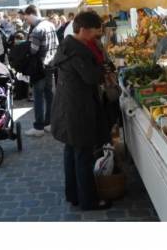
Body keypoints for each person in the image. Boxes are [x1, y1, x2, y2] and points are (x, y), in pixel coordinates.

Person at [50, 11, 111, 211]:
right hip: (78, 109)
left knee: (72, 152)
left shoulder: (69, 46)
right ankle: (89, 201)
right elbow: (91, 78)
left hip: (69, 107)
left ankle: (74, 194)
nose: (97, 36)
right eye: (95, 32)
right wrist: (104, 70)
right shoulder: (76, 51)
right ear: (84, 30)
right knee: (83, 155)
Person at [23, 4, 59, 137]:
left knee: (38, 96)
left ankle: (38, 127)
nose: (26, 20)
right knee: (49, 95)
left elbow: (33, 50)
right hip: (51, 65)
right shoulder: (50, 25)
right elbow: (57, 45)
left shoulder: (37, 29)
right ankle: (49, 123)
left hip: (39, 68)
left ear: (31, 14)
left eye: (26, 18)